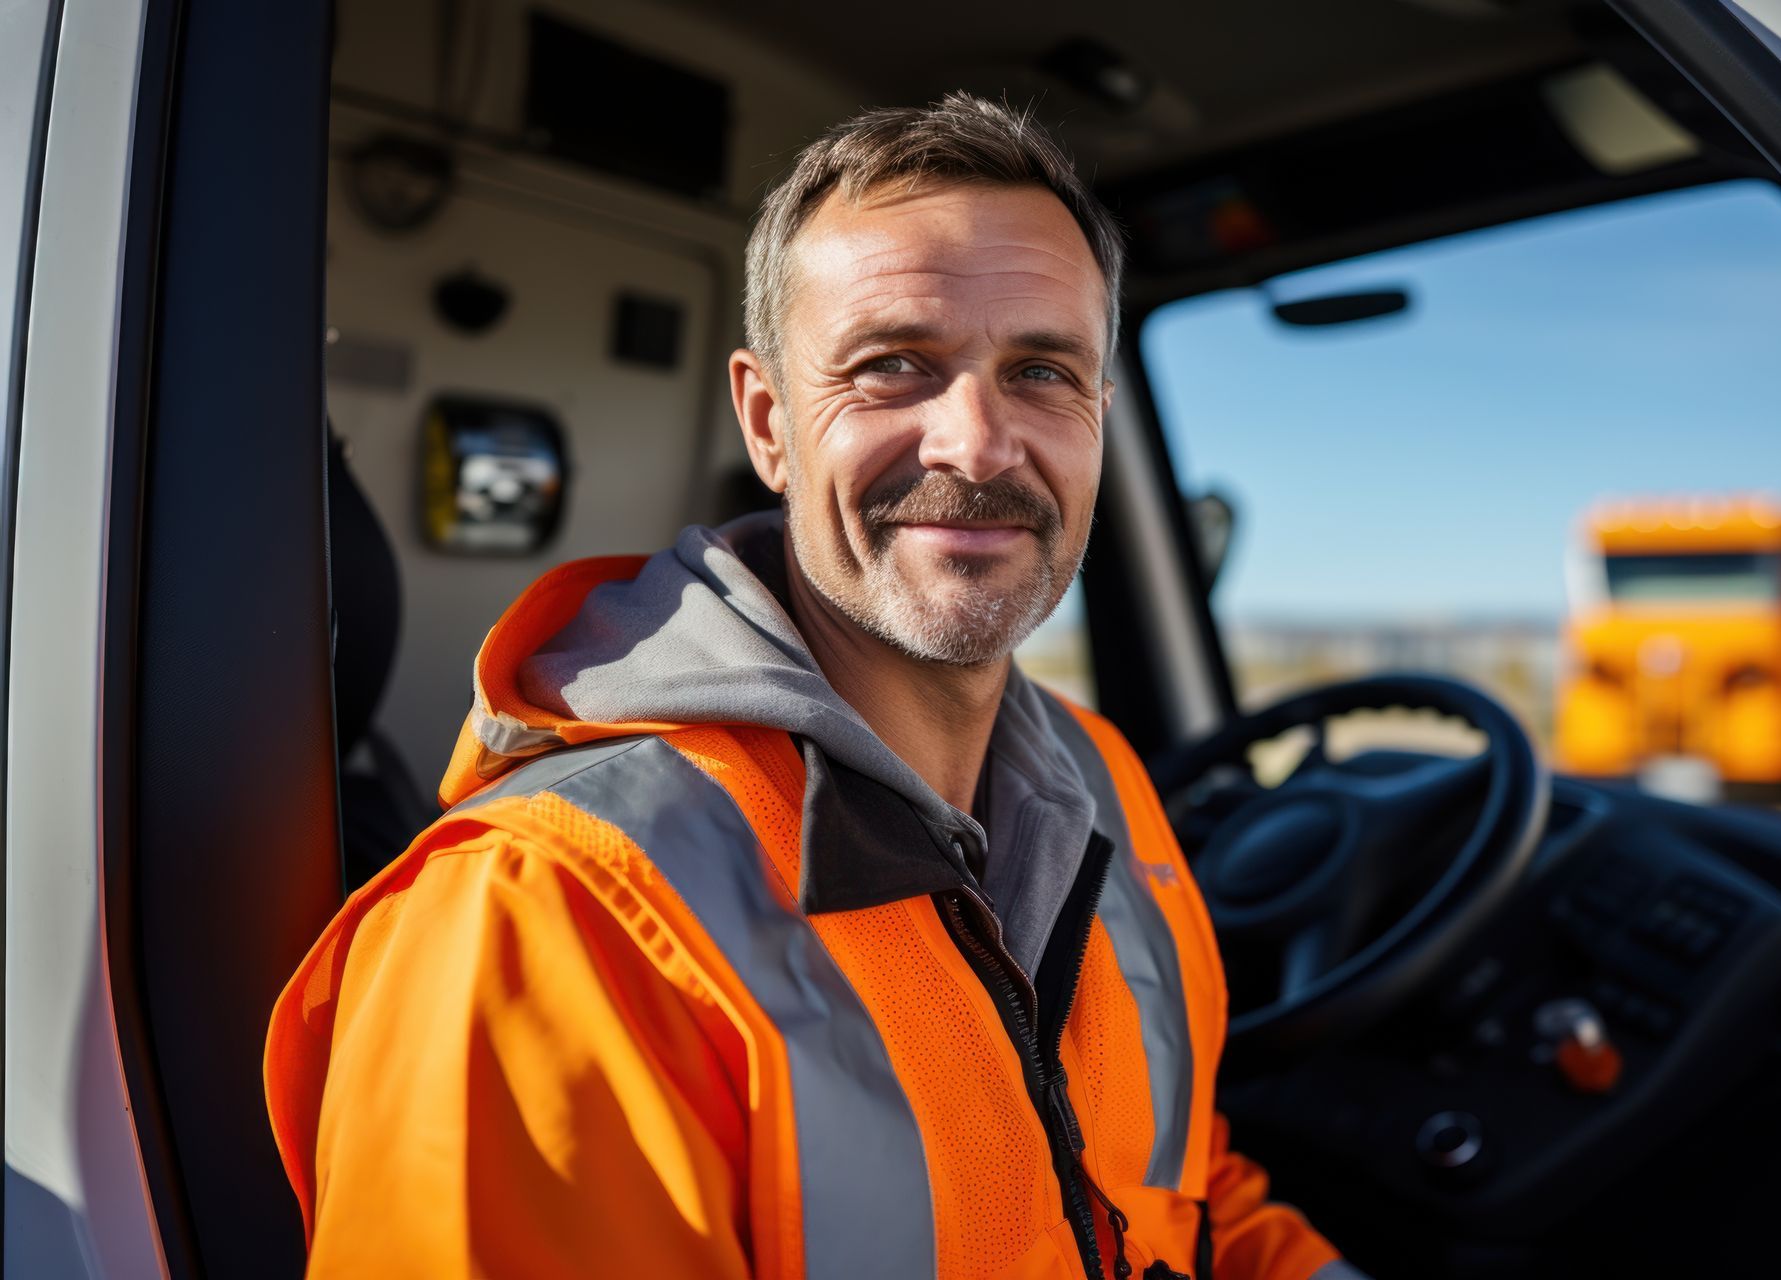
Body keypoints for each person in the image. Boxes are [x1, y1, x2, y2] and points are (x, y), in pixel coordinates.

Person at [265, 93, 1358, 1280]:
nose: (978, 444)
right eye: (894, 366)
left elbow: (1182, 1202)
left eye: (1043, 370)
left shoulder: (1106, 782)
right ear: (770, 422)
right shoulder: (546, 910)